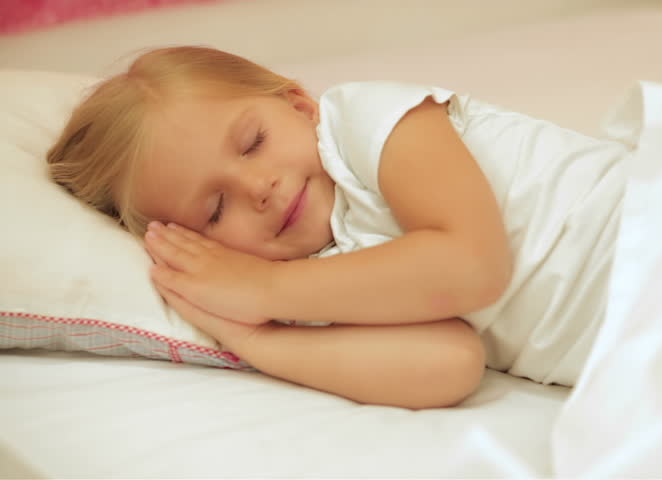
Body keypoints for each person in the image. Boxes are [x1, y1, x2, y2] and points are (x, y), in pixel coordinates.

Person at [46, 46, 627, 409]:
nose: (259, 187)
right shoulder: (311, 280)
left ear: (298, 106)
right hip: (659, 341)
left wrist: (260, 290)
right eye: (216, 210)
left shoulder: (368, 123)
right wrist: (255, 338)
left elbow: (473, 267)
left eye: (253, 143)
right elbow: (448, 365)